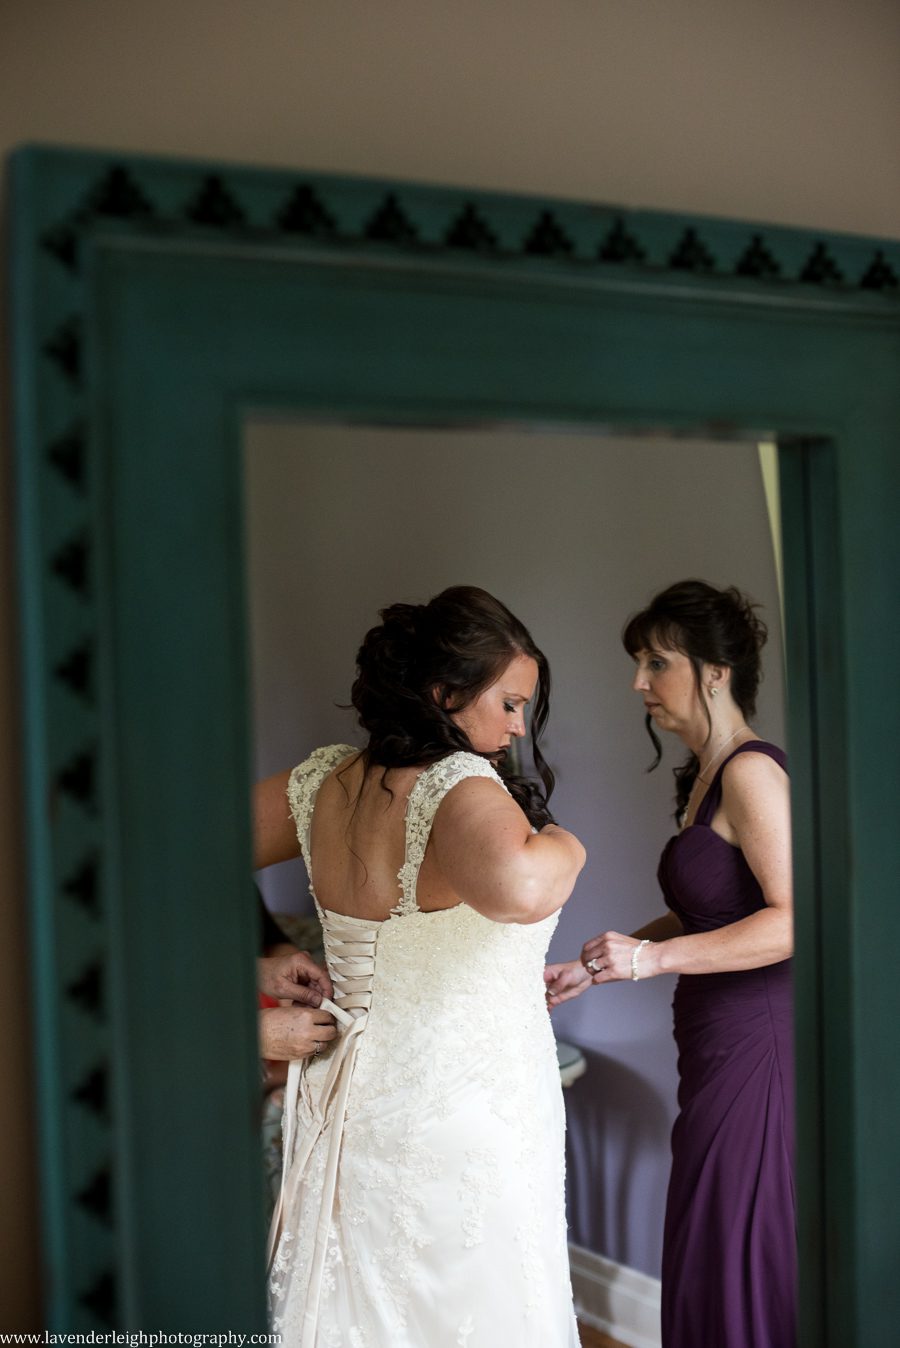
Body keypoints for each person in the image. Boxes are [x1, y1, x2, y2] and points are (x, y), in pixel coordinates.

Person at [254, 585, 586, 1348]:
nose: (516, 726)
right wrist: (571, 842)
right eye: (507, 703)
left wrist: (263, 958)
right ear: (444, 693)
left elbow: (182, 842)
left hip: (352, 1104)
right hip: (465, 1113)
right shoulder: (458, 784)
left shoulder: (327, 781)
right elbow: (522, 890)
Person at [545, 579, 795, 1348]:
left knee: (735, 1237)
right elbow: (714, 912)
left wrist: (649, 959)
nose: (638, 683)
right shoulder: (707, 777)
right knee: (710, 1229)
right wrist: (602, 963)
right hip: (715, 1039)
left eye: (657, 663)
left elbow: (794, 921)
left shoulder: (752, 773)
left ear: (715, 671)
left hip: (760, 1043)